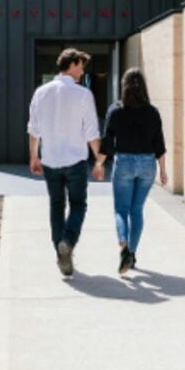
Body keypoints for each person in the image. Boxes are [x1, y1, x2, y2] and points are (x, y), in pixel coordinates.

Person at [27, 48, 106, 276]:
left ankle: (61, 253)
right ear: (71, 64)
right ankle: (68, 243)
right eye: (81, 66)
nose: (82, 71)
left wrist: (34, 157)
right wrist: (99, 162)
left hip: (50, 160)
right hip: (75, 161)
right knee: (78, 204)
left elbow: (34, 130)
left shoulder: (41, 92)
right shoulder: (83, 94)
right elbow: (92, 132)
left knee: (56, 206)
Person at [98, 67, 167, 274]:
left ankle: (124, 247)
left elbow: (108, 142)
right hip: (147, 165)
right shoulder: (153, 112)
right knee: (136, 210)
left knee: (121, 210)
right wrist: (163, 171)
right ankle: (132, 254)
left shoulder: (116, 110)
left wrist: (99, 163)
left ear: (124, 86)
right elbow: (159, 144)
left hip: (125, 163)